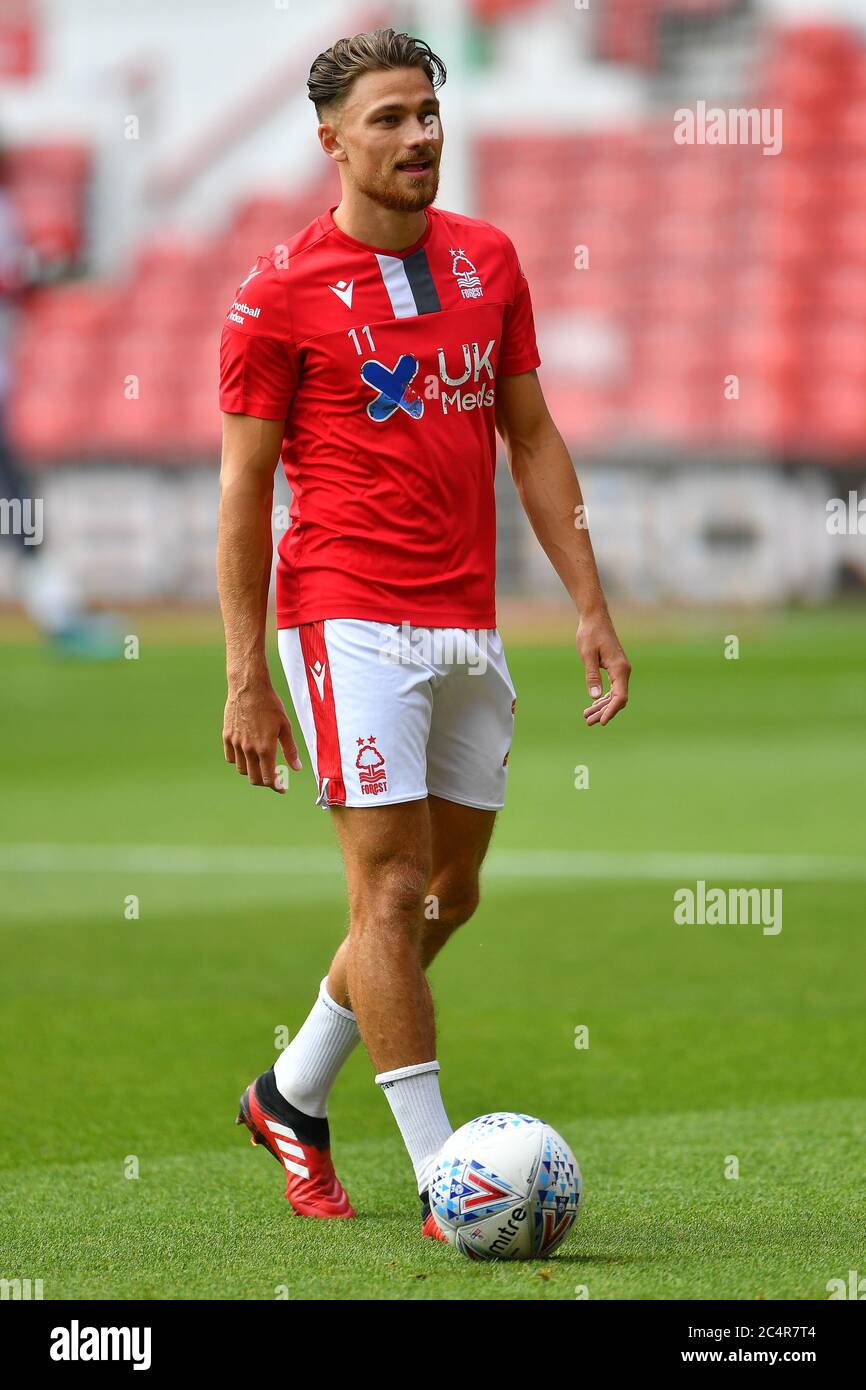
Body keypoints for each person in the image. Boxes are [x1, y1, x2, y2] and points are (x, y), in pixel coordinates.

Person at [217, 27, 631, 1237]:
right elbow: (244, 491)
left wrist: (589, 601)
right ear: (331, 142)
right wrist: (248, 671)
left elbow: (533, 436)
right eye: (389, 119)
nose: (416, 138)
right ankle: (444, 1177)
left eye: (427, 115)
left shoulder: (488, 261)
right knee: (387, 889)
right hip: (346, 617)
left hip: (467, 620)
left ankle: (289, 1093)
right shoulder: (277, 292)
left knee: (451, 893)